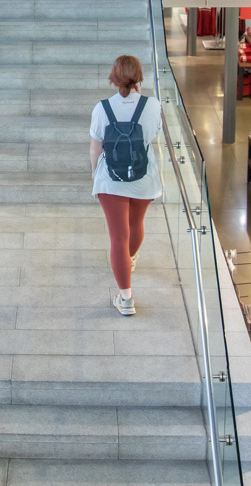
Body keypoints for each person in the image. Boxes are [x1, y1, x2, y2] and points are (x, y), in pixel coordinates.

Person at [91, 55, 163, 317]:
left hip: (111, 181)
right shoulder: (152, 105)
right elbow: (152, 135)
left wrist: (94, 174)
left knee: (117, 237)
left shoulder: (102, 108)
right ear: (139, 77)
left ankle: (126, 299)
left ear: (114, 76)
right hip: (143, 178)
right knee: (136, 225)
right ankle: (129, 260)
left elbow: (95, 147)